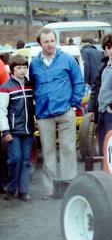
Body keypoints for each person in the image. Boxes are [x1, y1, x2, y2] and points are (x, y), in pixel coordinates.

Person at [29, 27, 84, 198]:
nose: (50, 44)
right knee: (48, 151)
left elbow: (79, 82)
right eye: (46, 42)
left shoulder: (67, 60)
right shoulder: (34, 64)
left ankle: (68, 188)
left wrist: (74, 105)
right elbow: (33, 85)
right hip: (44, 114)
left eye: (52, 41)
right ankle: (51, 190)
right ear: (40, 44)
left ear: (56, 41)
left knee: (68, 149)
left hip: (65, 111)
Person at [0, 55, 35, 201]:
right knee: (15, 159)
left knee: (26, 160)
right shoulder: (5, 87)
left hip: (28, 130)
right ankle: (11, 187)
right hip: (13, 131)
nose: (22, 70)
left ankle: (23, 190)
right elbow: (1, 110)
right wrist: (5, 131)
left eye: (24, 67)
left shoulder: (30, 86)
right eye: (18, 67)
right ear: (12, 69)